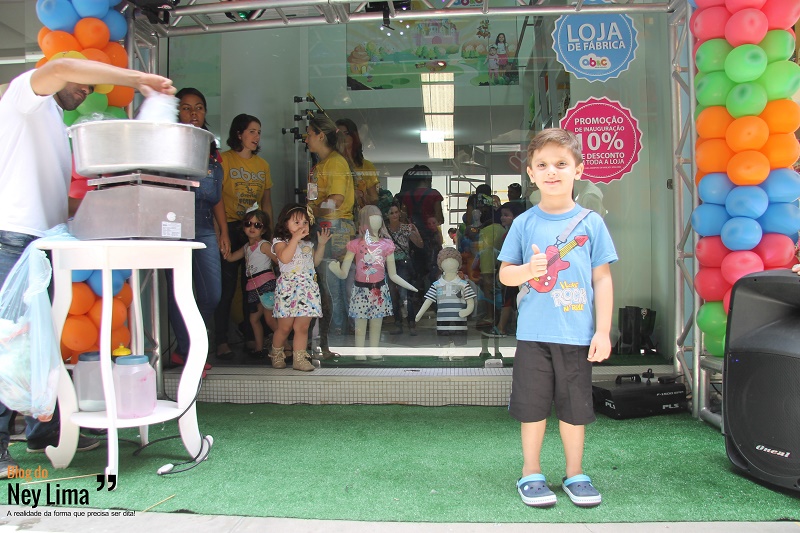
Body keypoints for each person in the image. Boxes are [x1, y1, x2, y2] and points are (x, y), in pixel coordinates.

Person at [0, 57, 176, 477]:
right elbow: (62, 66)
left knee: (44, 345)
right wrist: (138, 79)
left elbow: (56, 197)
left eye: (89, 86)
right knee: (10, 345)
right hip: (12, 239)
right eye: (82, 82)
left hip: (42, 243)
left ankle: (45, 432)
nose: (86, 89)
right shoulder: (24, 95)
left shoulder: (56, 125)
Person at [497, 128, 617, 508]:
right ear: (531, 173)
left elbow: (602, 278)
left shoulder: (591, 223)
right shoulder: (523, 223)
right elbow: (505, 275)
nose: (552, 171)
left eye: (561, 164)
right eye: (543, 165)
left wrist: (602, 331)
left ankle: (575, 473)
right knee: (532, 409)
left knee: (575, 410)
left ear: (578, 170)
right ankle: (530, 472)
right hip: (533, 336)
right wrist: (528, 270)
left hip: (577, 336)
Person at [165, 87, 225, 373]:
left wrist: (223, 231)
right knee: (179, 292)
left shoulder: (212, 149)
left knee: (212, 294)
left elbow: (217, 197)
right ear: (177, 112)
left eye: (198, 107)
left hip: (203, 224)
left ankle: (187, 345)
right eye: (186, 107)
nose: (193, 113)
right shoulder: (167, 141)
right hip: (172, 224)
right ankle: (190, 352)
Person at [214, 114, 273, 361]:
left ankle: (252, 337)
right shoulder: (224, 159)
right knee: (226, 288)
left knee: (252, 286)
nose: (256, 136)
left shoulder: (262, 165)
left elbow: (266, 202)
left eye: (258, 132)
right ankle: (221, 340)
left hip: (254, 230)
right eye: (251, 131)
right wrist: (221, 233)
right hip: (230, 225)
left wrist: (268, 233)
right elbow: (215, 197)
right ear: (239, 133)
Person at [329, 205, 417, 355]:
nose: (376, 220)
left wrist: (409, 286)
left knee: (376, 323)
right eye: (372, 217)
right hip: (360, 289)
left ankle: (374, 350)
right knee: (360, 324)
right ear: (364, 221)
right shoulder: (355, 244)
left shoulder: (386, 245)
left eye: (378, 217)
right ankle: (360, 352)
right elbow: (344, 273)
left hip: (379, 289)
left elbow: (393, 274)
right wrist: (336, 269)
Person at [306, 114, 355, 356]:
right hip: (325, 225)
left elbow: (335, 201)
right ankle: (327, 340)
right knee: (325, 287)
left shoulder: (335, 162)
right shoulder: (320, 165)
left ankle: (335, 340)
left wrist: (311, 211)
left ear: (321, 135)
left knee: (331, 287)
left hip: (334, 226)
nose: (306, 139)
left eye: (309, 134)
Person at [270, 204, 330, 371]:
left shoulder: (307, 243)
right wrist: (295, 239)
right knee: (285, 327)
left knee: (302, 327)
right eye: (296, 222)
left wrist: (321, 245)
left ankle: (300, 359)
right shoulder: (279, 242)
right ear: (285, 223)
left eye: (305, 222)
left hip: (307, 288)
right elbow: (285, 258)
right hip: (288, 289)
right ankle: (276, 353)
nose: (302, 226)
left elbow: (315, 262)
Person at [225, 206, 278, 362]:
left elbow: (279, 260)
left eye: (257, 225)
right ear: (243, 227)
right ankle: (259, 348)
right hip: (253, 286)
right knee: (254, 319)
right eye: (248, 224)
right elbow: (231, 257)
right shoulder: (246, 247)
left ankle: (285, 347)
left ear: (264, 229)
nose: (252, 228)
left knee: (269, 319)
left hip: (266, 284)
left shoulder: (264, 245)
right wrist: (223, 246)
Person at [415, 248, 476, 346]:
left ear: (458, 264)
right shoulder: (437, 285)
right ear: (440, 265)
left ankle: (457, 351)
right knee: (444, 343)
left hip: (459, 321)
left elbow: (470, 301)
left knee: (459, 344)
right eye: (446, 260)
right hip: (442, 321)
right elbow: (429, 300)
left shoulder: (463, 284)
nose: (449, 263)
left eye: (453, 260)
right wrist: (419, 314)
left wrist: (467, 311)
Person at [385, 201, 423, 335]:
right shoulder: (383, 230)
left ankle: (410, 323)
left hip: (403, 262)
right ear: (387, 215)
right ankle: (399, 323)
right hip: (389, 262)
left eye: (396, 212)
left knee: (404, 293)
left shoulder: (406, 228)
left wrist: (416, 233)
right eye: (392, 213)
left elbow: (420, 244)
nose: (395, 215)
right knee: (393, 294)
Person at [495, 201, 525, 336]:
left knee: (508, 299)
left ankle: (501, 327)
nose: (503, 217)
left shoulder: (513, 234)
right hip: (515, 270)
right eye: (502, 215)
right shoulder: (509, 233)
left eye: (506, 215)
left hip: (514, 271)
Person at [336, 118, 378, 208]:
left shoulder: (366, 166)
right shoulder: (330, 164)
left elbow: (374, 198)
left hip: (360, 212)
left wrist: (362, 195)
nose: (342, 137)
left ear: (353, 136)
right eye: (339, 134)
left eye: (346, 133)